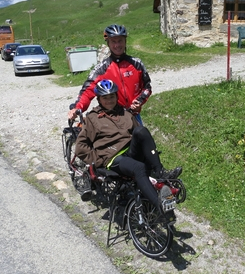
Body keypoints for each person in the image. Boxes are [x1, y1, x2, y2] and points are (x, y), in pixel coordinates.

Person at [74, 79, 182, 222]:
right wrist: (99, 160)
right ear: (99, 99)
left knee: (141, 131)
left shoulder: (125, 113)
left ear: (116, 97)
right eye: (105, 98)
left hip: (130, 151)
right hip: (113, 158)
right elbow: (81, 147)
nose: (109, 100)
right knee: (139, 167)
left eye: (112, 96)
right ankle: (160, 207)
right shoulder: (92, 118)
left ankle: (160, 173)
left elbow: (137, 134)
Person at [68, 24, 151, 124]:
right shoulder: (101, 69)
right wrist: (77, 108)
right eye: (113, 41)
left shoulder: (137, 64)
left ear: (125, 42)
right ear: (108, 43)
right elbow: (87, 91)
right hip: (112, 118)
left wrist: (139, 101)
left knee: (142, 138)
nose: (117, 45)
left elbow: (147, 87)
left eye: (120, 40)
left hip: (134, 116)